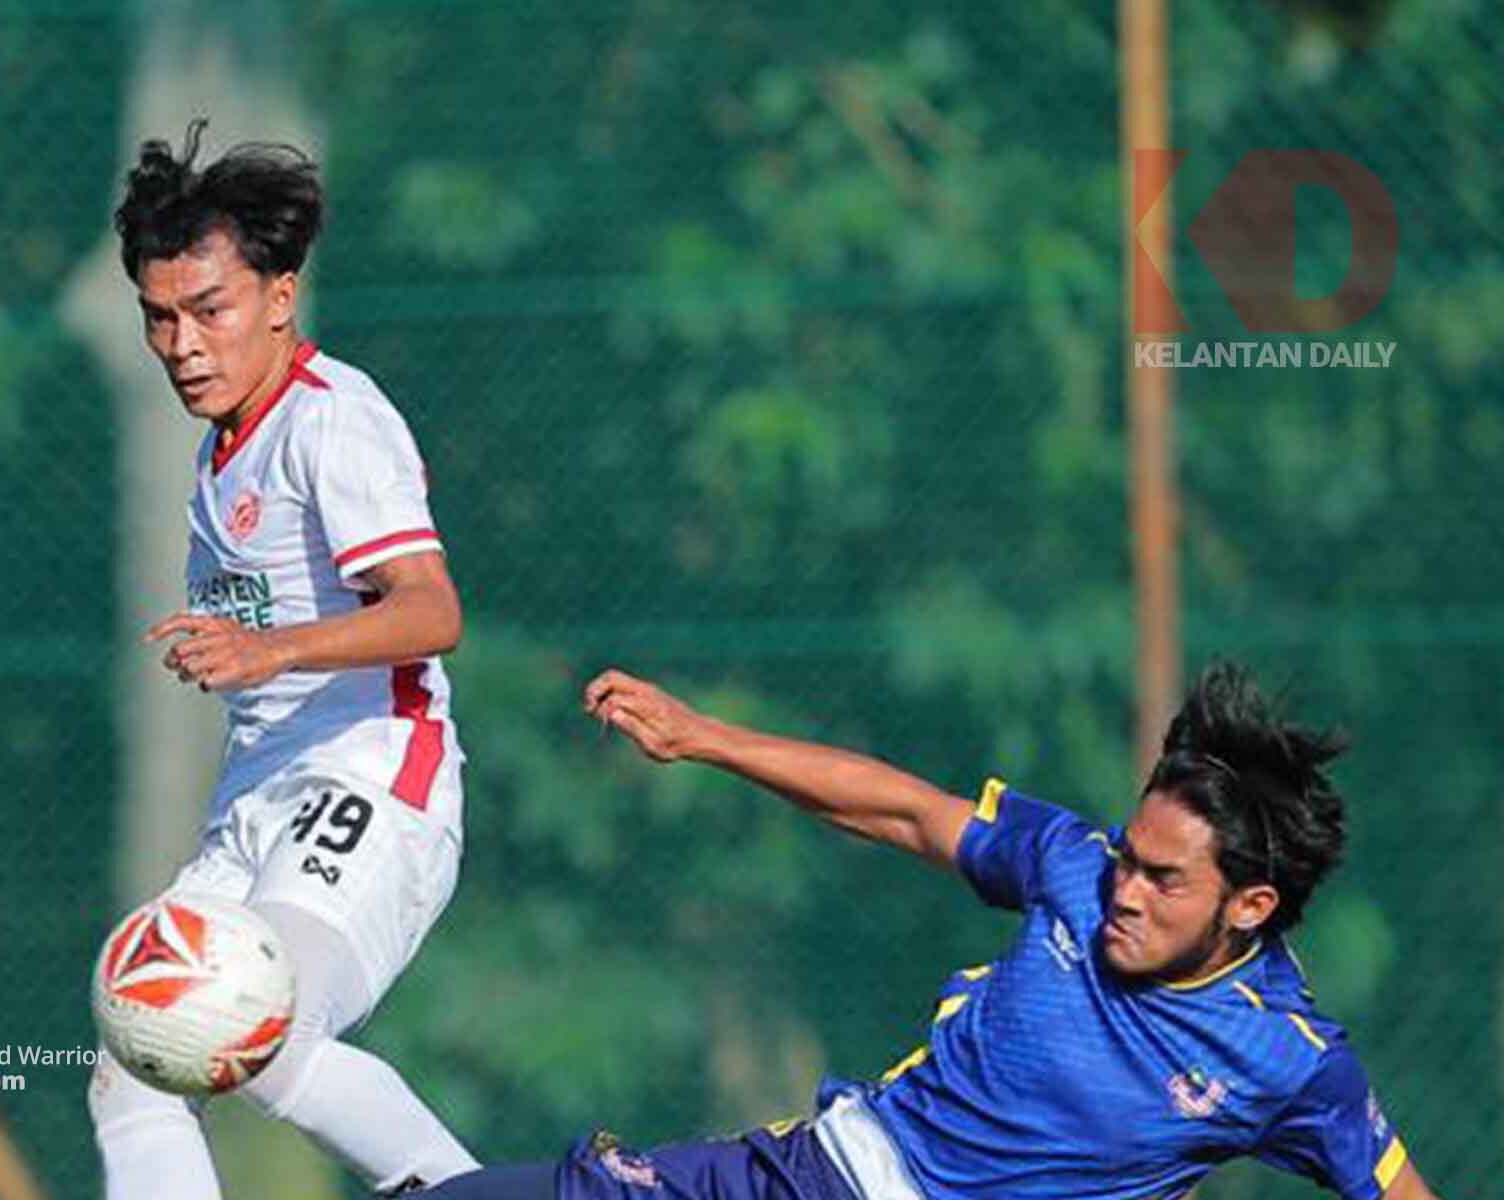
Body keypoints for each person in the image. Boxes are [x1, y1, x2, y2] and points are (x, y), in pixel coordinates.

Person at [416, 662, 1438, 1200]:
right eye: (1130, 856)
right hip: (810, 1175)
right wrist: (704, 738)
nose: (1126, 890)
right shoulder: (1075, 868)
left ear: (1249, 907)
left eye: (1164, 879)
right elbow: (907, 812)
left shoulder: (1289, 1058)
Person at [87, 120, 479, 1199]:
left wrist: (272, 649)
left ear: (279, 296)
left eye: (208, 311)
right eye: (159, 317)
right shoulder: (226, 446)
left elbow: (432, 609)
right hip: (261, 800)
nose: (182, 344)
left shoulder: (331, 422)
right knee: (134, 1063)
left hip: (373, 777)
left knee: (256, 1030)